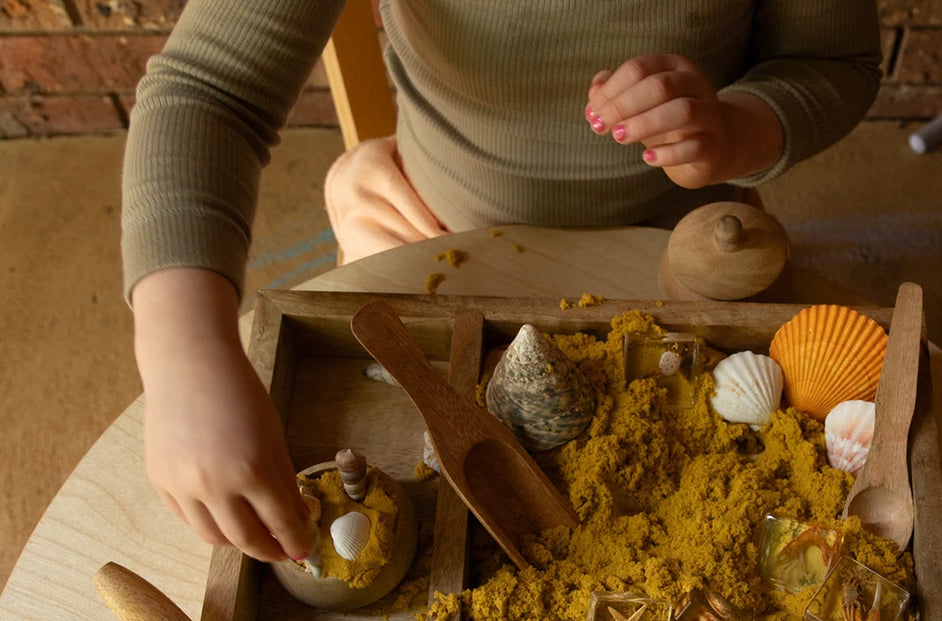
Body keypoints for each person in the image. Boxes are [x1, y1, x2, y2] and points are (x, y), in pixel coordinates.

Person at [121, 0, 881, 564]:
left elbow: (833, 64)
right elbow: (209, 89)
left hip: (678, 240)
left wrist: (734, 127)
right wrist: (180, 354)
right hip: (424, 222)